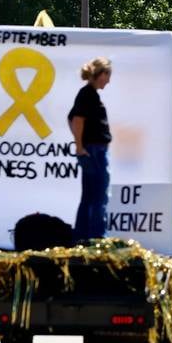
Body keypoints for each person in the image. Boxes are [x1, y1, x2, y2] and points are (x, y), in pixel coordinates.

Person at [69, 57, 113, 242]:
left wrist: (81, 145)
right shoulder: (87, 94)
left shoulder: (88, 94)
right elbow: (77, 120)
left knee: (89, 196)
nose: (108, 80)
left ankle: (82, 237)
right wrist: (80, 147)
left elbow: (72, 118)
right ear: (101, 74)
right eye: (108, 75)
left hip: (92, 150)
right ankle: (96, 238)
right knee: (98, 197)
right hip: (95, 151)